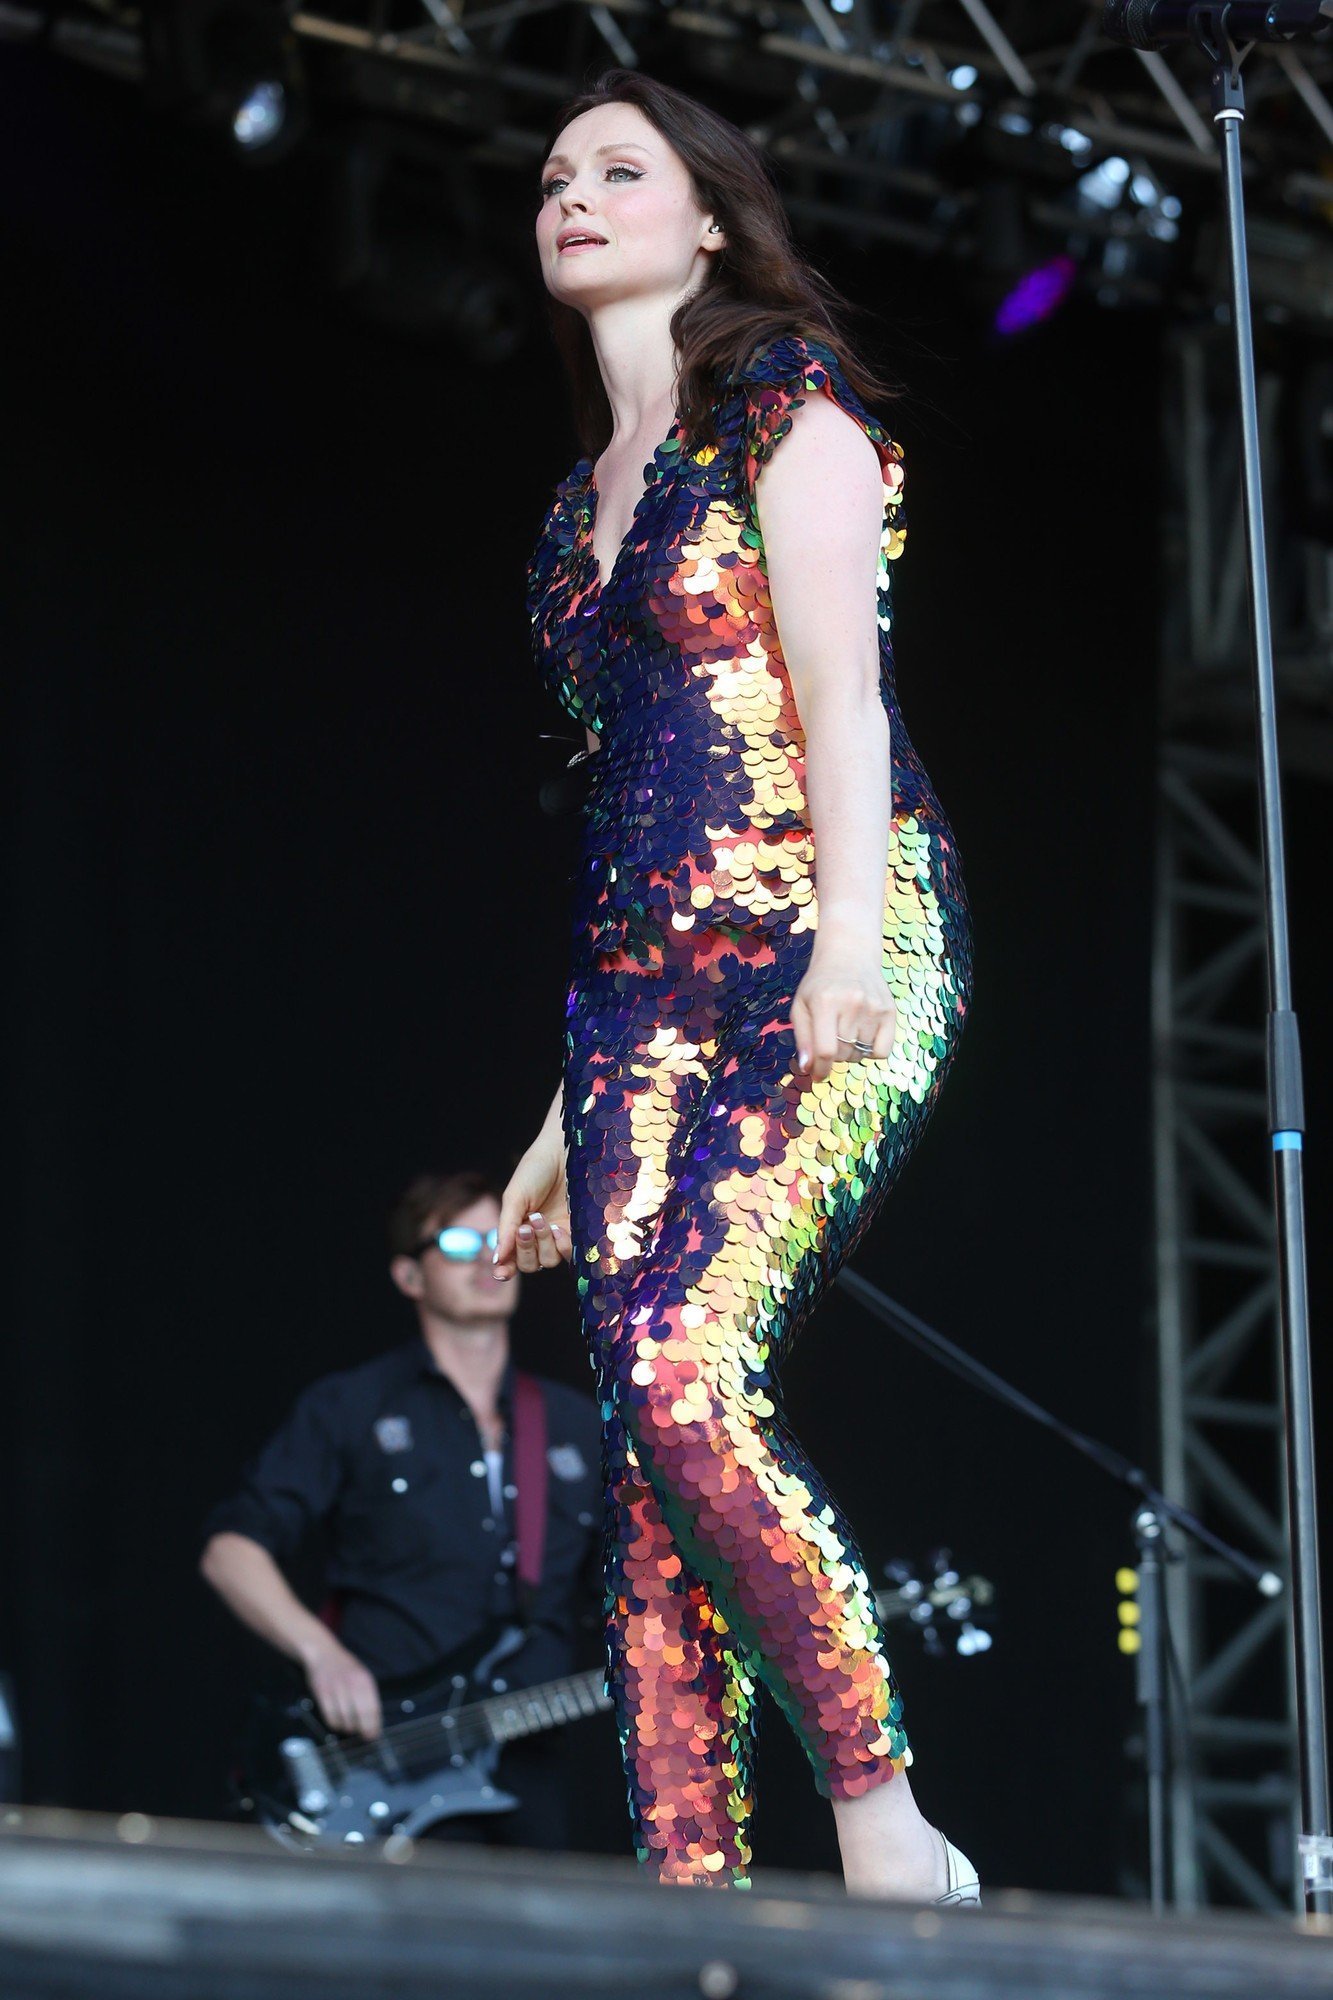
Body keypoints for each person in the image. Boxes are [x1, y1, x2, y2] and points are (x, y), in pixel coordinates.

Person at [494, 69, 978, 1900]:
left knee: (682, 1377)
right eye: (552, 176)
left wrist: (847, 932)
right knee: (642, 1455)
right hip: (635, 1013)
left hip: (824, 944)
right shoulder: (569, 528)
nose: (572, 195)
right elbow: (628, 818)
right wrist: (558, 1117)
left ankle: (880, 1819)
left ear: (707, 220)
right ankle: (692, 1917)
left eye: (619, 170)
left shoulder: (784, 407)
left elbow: (839, 698)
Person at [199, 1170, 603, 1852]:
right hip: (379, 1766)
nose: (483, 1256)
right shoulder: (351, 1408)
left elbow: (623, 1594)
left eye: (495, 1235)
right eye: (454, 1240)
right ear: (409, 1277)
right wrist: (320, 1653)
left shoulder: (575, 1425)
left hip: (526, 1777)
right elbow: (231, 1550)